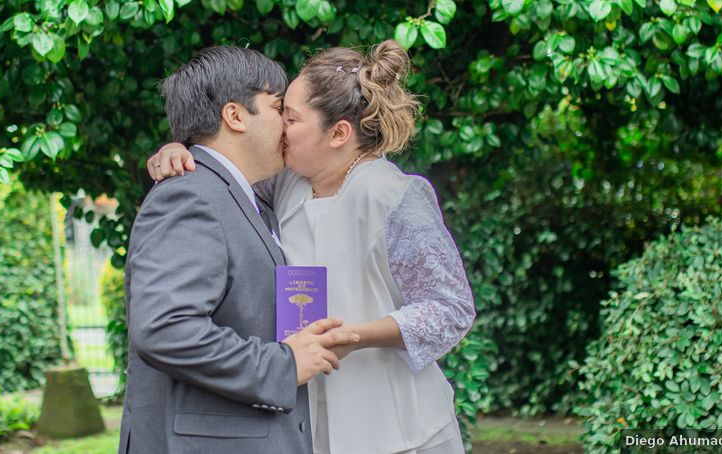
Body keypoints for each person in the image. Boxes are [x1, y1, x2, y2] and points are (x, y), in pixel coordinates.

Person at [148, 40, 477, 454]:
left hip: (399, 425)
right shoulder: (283, 185)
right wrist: (180, 150)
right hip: (308, 419)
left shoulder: (394, 195)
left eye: (291, 117)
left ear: (338, 133)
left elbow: (451, 308)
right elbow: (226, 166)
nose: (280, 128)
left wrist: (354, 335)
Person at [119, 46, 361, 454]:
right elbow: (165, 327)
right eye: (277, 107)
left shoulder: (246, 198)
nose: (287, 123)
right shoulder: (189, 195)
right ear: (234, 116)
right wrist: (282, 365)